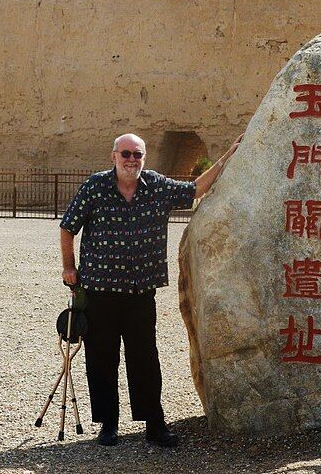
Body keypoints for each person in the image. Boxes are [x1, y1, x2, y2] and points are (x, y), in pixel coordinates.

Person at [60, 132, 242, 447]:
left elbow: (195, 189)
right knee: (101, 359)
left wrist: (226, 157)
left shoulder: (156, 186)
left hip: (140, 292)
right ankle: (108, 423)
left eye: (137, 155)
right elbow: (68, 226)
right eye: (126, 154)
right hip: (100, 291)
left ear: (144, 158)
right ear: (113, 156)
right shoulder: (95, 187)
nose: (132, 160)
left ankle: (154, 424)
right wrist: (69, 267)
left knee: (145, 358)